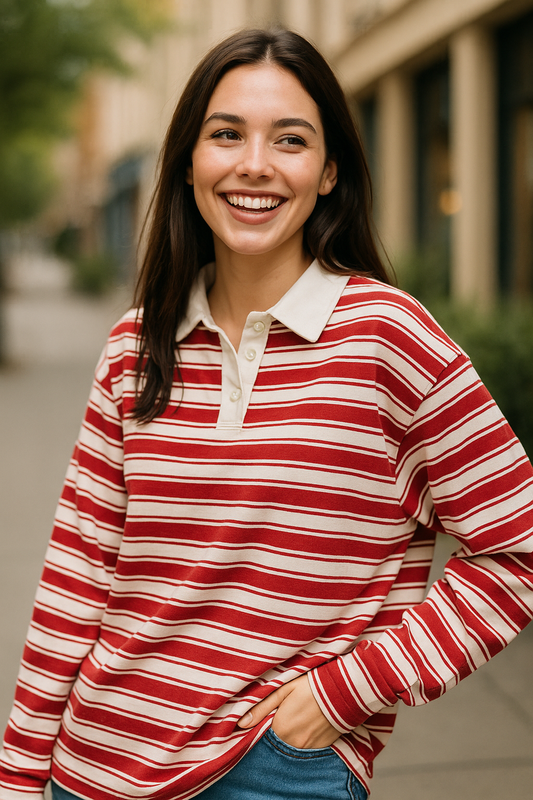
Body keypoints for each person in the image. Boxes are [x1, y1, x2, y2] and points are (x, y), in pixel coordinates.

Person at [1, 26, 533, 800]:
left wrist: (337, 699)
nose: (254, 164)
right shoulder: (134, 344)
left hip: (272, 770)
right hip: (88, 768)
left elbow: (514, 550)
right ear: (189, 163)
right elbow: (80, 575)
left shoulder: (387, 337)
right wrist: (19, 775)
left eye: (290, 140)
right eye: (226, 135)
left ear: (327, 173)